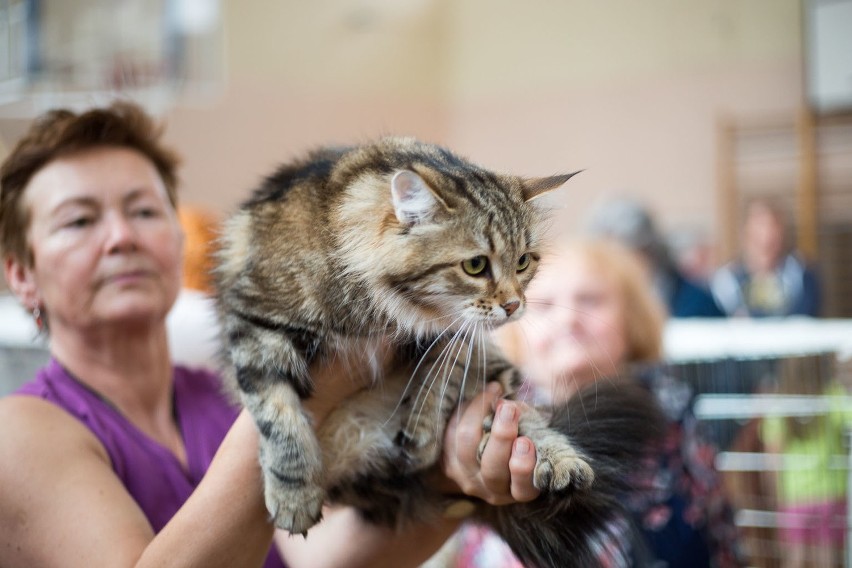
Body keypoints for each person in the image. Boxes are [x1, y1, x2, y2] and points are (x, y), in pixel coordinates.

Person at [0, 102, 541, 568]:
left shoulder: (214, 394)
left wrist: (457, 481)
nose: (122, 237)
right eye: (78, 221)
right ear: (20, 273)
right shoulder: (18, 433)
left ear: (178, 235)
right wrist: (307, 387)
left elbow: (324, 557)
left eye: (144, 211)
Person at [450, 239, 743, 567]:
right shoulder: (492, 419)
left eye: (590, 300)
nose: (567, 320)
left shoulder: (673, 409)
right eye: (544, 305)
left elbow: (719, 530)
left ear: (631, 320)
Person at [584, 197, 724, 318]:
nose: (614, 270)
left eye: (622, 259)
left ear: (648, 253)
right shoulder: (593, 305)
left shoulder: (694, 303)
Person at [711, 198, 820, 317]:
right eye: (759, 226)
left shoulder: (801, 275)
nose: (766, 235)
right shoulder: (726, 280)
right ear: (745, 234)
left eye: (773, 227)